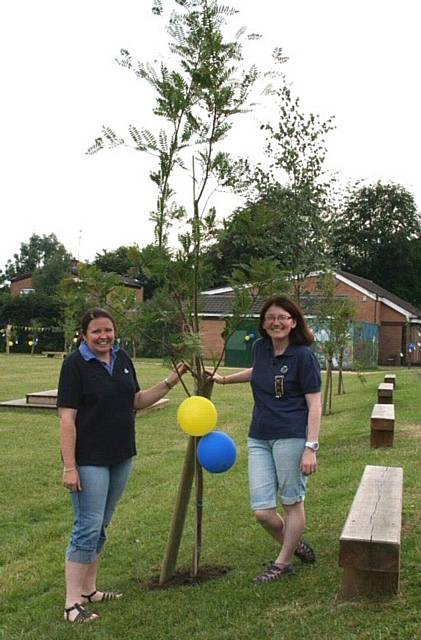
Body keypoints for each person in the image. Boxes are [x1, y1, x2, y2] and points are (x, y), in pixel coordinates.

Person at [57, 308, 188, 622]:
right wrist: (69, 466)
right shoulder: (75, 365)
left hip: (120, 455)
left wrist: (171, 381)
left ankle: (89, 590)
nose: (103, 337)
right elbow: (67, 418)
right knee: (86, 526)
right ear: (84, 335)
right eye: (96, 332)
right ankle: (72, 602)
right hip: (89, 459)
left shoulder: (122, 359)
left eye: (108, 331)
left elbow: (136, 401)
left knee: (101, 524)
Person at [208, 295, 321, 583]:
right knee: (262, 511)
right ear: (263, 323)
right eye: (270, 317)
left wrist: (311, 447)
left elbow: (315, 403)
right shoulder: (260, 349)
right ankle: (293, 544)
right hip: (259, 435)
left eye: (283, 317)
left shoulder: (303, 355)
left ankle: (282, 564)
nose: (276, 322)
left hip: (291, 437)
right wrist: (224, 379)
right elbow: (259, 372)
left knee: (292, 501)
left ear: (293, 321)